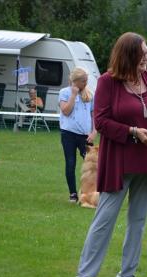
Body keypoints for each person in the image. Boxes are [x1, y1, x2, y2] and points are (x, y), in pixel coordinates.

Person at [75, 32, 147, 277]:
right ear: (128, 55)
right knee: (105, 218)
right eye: (142, 53)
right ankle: (85, 276)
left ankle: (127, 275)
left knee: (138, 220)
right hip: (119, 159)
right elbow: (102, 121)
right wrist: (132, 131)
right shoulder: (108, 82)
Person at [59, 67, 97, 203]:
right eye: (83, 81)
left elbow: (94, 115)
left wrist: (94, 131)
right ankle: (73, 194)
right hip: (68, 134)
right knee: (70, 163)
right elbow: (66, 111)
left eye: (86, 81)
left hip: (85, 136)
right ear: (75, 81)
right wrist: (73, 95)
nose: (85, 83)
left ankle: (90, 191)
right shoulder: (64, 92)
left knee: (93, 164)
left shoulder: (90, 95)